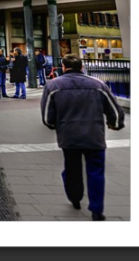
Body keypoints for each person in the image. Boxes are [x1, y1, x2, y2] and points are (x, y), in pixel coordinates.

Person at [40, 54, 125, 221]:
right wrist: (115, 124)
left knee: (72, 168)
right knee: (96, 172)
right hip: (94, 136)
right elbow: (114, 110)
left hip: (68, 136)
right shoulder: (98, 85)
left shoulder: (53, 85)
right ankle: (96, 209)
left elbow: (47, 117)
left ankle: (75, 197)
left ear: (63, 67)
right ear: (82, 67)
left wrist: (55, 125)